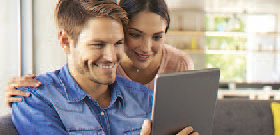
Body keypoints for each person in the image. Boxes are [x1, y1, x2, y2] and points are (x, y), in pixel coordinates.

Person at [12, 0, 198, 135]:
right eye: (98, 44)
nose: (111, 57)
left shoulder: (147, 99)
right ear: (65, 41)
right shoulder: (35, 99)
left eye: (118, 43)